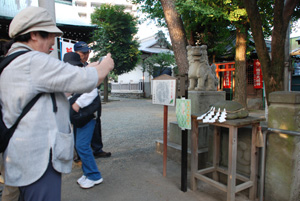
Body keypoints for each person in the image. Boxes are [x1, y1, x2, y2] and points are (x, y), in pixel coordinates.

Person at [0, 6, 114, 201]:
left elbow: (48, 91)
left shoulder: (12, 62)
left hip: (21, 157)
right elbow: (84, 80)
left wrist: (90, 69)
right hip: (39, 161)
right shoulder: (32, 61)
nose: (52, 43)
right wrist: (105, 66)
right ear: (34, 34)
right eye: (49, 37)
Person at [63, 52, 103, 188]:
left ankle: (94, 175)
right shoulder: (72, 78)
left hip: (86, 117)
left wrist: (76, 104)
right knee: (79, 146)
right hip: (78, 118)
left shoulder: (83, 76)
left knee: (82, 146)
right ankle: (87, 173)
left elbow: (92, 91)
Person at [74, 41, 111, 158]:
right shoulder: (73, 66)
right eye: (82, 52)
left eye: (87, 52)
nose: (85, 55)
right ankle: (80, 153)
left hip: (93, 100)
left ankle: (97, 149)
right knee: (79, 124)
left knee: (96, 123)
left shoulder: (89, 66)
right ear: (75, 52)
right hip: (80, 102)